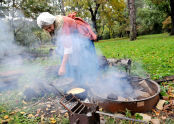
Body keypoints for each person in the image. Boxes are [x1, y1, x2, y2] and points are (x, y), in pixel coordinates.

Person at [37, 12, 98, 81]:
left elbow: (68, 48)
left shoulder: (63, 24)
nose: (49, 30)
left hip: (82, 36)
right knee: (68, 59)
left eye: (49, 27)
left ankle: (93, 79)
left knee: (88, 58)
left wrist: (62, 66)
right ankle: (72, 77)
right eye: (46, 29)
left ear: (53, 22)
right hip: (73, 38)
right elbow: (62, 43)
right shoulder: (54, 26)